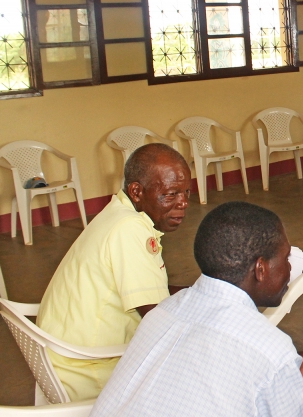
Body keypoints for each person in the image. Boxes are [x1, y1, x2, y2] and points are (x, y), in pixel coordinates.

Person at [91, 202, 303, 417]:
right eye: (286, 258)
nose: (291, 268)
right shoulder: (269, 350)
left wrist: (285, 373)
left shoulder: (165, 311)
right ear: (260, 269)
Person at [37, 143, 192, 401]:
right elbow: (158, 319)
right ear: (137, 192)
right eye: (171, 194)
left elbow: (154, 292)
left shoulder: (118, 212)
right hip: (89, 369)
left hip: (62, 358)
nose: (184, 203)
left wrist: (199, 292)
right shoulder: (129, 229)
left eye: (186, 191)